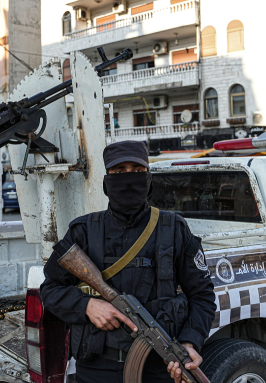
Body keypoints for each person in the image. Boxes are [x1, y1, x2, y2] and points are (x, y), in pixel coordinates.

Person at [41, 141, 216, 383]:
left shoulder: (174, 229)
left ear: (149, 179)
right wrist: (88, 306)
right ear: (106, 183)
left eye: (137, 170)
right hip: (96, 368)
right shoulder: (83, 231)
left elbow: (202, 295)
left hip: (159, 368)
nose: (129, 178)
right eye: (119, 172)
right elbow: (49, 290)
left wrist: (189, 341)